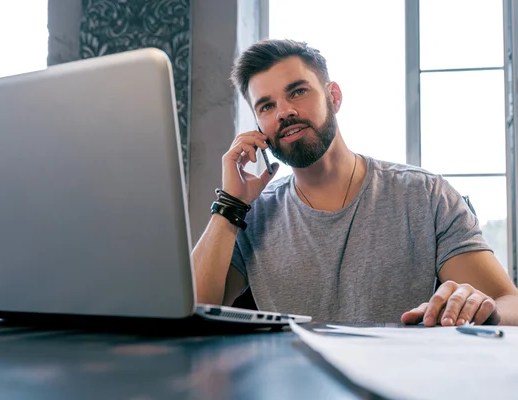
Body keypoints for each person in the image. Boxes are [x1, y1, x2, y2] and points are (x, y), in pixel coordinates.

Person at [191, 39, 518, 326]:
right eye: (267, 106)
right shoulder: (251, 215)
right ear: (259, 124)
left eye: (298, 91)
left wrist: (482, 311)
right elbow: (192, 309)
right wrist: (230, 205)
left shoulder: (426, 196)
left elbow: (509, 303)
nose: (284, 112)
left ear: (333, 97)